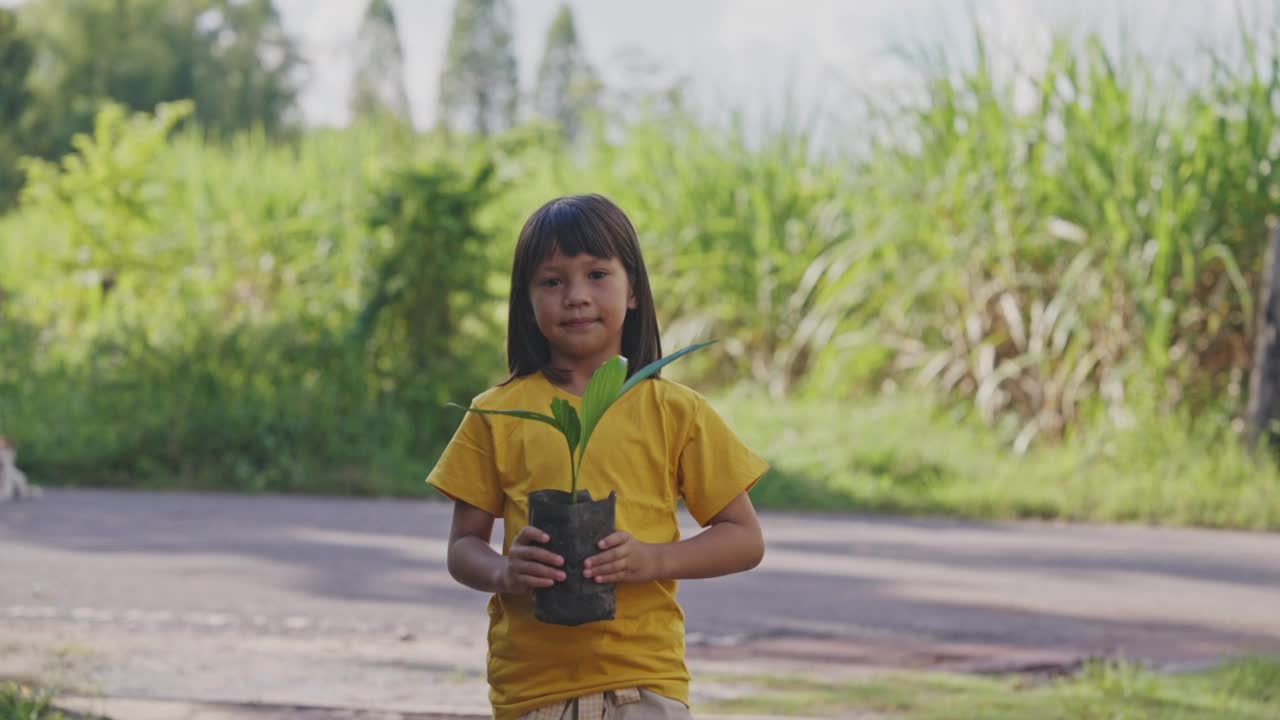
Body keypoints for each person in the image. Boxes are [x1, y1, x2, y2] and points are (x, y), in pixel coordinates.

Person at [427, 194, 768, 720]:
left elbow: (744, 539)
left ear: (633, 291)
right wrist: (502, 572)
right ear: (527, 300)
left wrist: (652, 559)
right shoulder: (497, 412)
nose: (576, 296)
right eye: (553, 281)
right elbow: (463, 547)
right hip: (531, 691)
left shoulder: (675, 411)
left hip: (644, 685)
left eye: (597, 275)